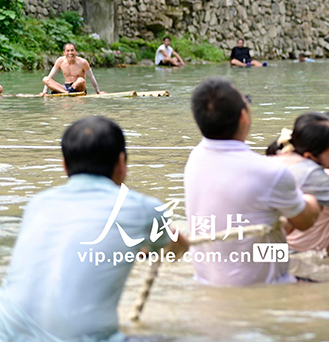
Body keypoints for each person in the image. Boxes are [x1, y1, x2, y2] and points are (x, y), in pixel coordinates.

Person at [0, 117, 189, 340]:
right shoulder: (143, 208)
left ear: (64, 165)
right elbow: (177, 249)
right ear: (121, 163)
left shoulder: (38, 204)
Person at [185, 77, 322, 285]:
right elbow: (305, 222)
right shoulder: (269, 171)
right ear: (243, 117)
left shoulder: (194, 158)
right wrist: (316, 183)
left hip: (206, 280)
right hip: (265, 288)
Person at [267, 112, 329, 257]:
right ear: (310, 156)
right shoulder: (313, 174)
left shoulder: (274, 161)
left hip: (257, 248)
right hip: (292, 254)